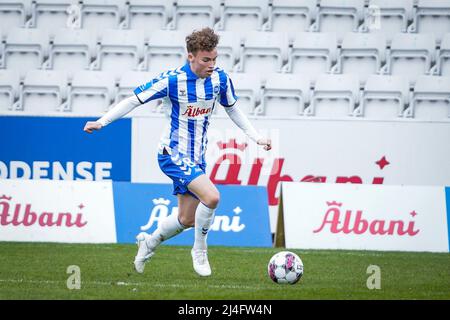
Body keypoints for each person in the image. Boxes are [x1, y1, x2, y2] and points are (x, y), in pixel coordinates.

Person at [83, 27, 272, 277]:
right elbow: (133, 100)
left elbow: (233, 109)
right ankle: (199, 251)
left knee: (187, 219)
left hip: (196, 157)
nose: (211, 65)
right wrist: (102, 121)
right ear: (190, 56)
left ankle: (149, 242)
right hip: (171, 153)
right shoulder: (172, 80)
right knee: (213, 197)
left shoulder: (220, 79)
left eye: (215, 59)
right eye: (206, 59)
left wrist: (256, 137)